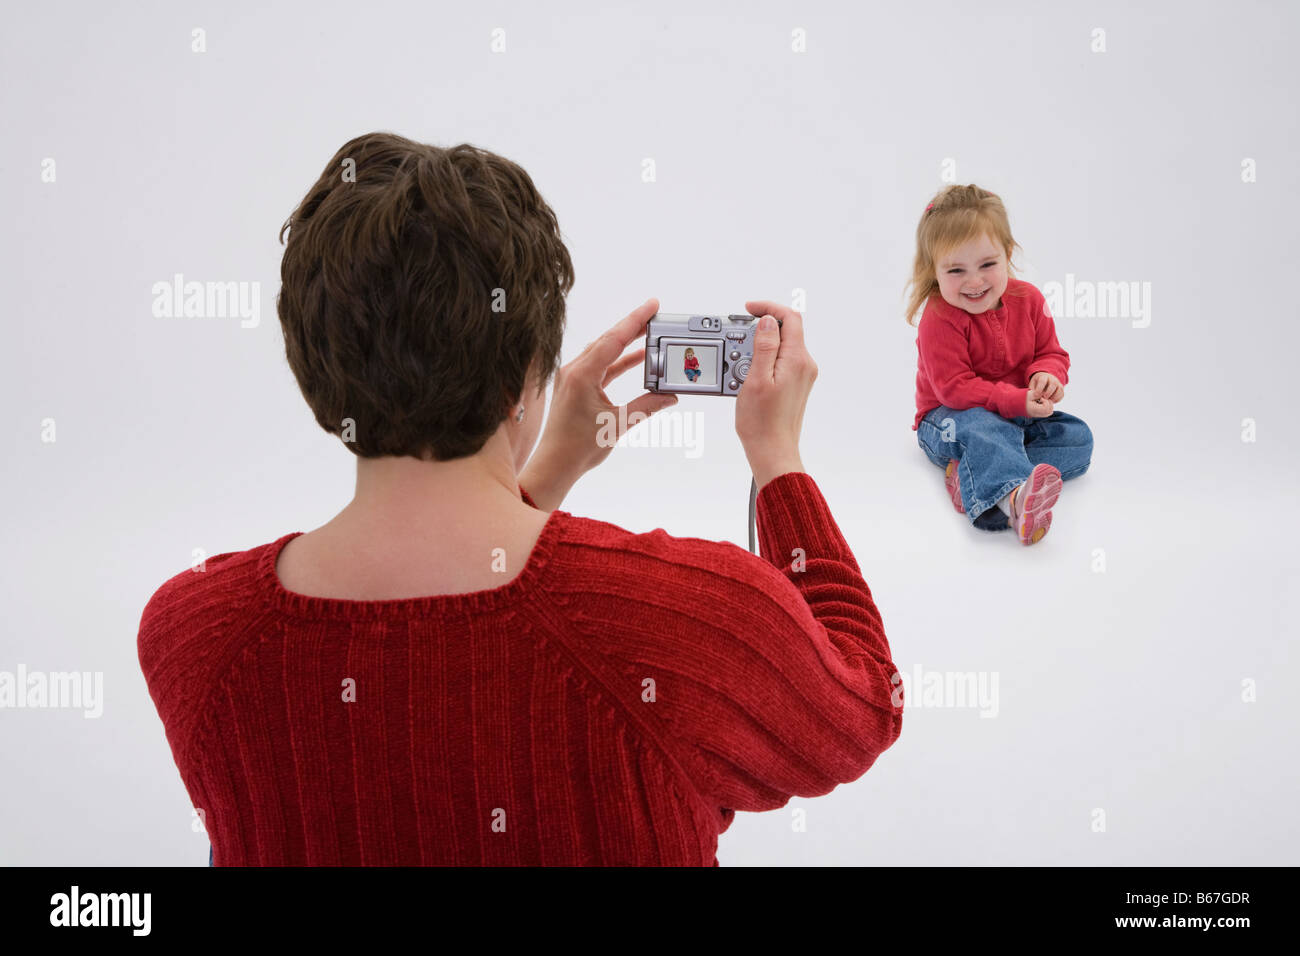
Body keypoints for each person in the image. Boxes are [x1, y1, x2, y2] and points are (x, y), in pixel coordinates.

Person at [138, 132, 903, 866]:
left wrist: (539, 478)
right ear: (522, 381)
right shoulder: (689, 620)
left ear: (313, 375)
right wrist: (779, 460)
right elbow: (865, 704)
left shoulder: (192, 636)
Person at [907, 184, 1094, 544]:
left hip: (1015, 415)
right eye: (956, 270)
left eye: (988, 264)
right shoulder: (939, 317)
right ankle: (1012, 501)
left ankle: (972, 473)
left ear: (1008, 254)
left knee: (1077, 438)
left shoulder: (1030, 300)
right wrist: (1015, 401)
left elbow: (1052, 353)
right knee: (983, 427)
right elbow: (954, 389)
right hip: (948, 420)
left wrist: (1046, 376)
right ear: (934, 270)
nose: (974, 281)